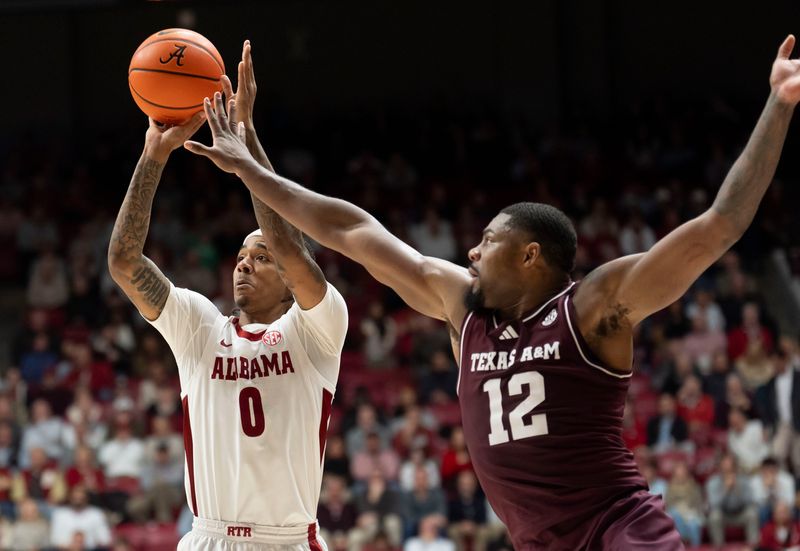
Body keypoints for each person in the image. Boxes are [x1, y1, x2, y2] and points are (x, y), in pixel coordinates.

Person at [186, 35, 800, 551]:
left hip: (617, 530)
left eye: (487, 240)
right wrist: (251, 164)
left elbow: (719, 224)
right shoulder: (463, 307)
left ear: (531, 255)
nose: (472, 252)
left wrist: (777, 103)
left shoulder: (594, 306)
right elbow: (351, 230)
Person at [107, 42, 348, 550]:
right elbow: (125, 262)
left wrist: (244, 142)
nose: (244, 262)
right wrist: (154, 155)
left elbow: (285, 241)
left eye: (259, 258)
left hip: (286, 540)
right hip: (208, 538)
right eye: (240, 256)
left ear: (289, 276)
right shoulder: (200, 328)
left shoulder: (318, 329)